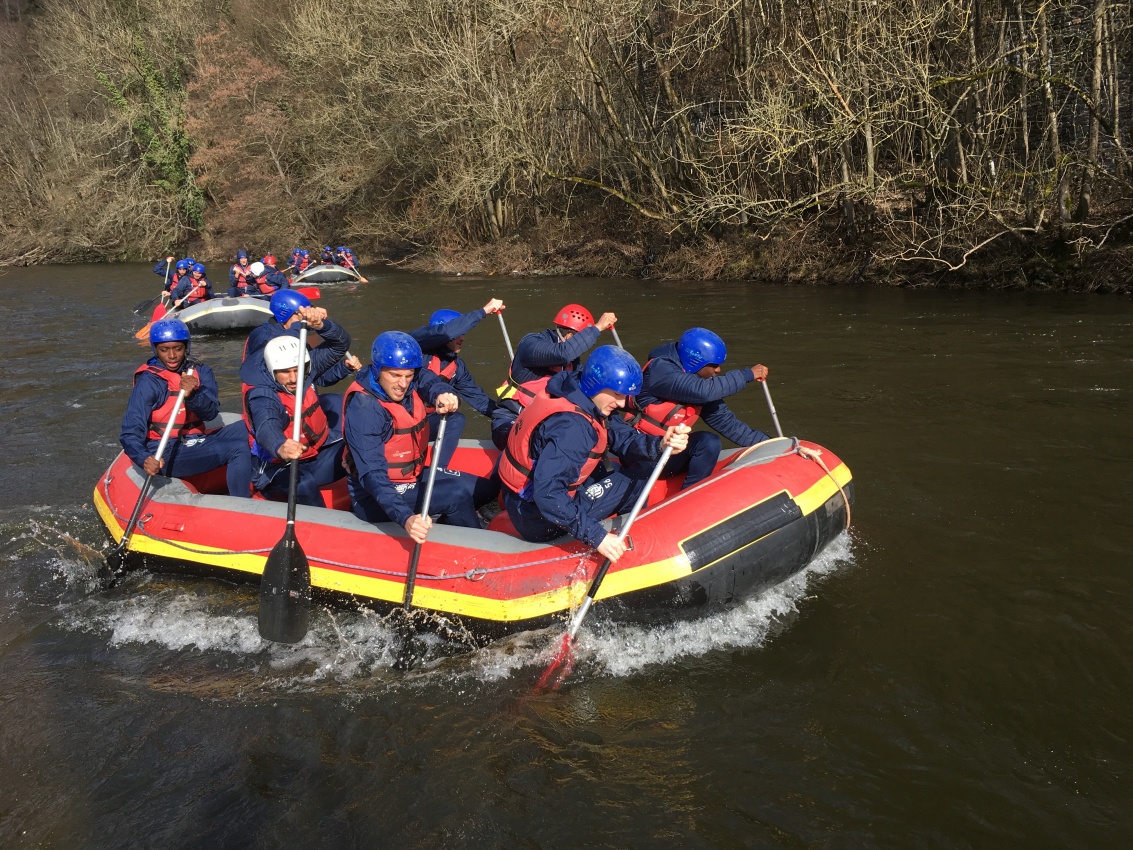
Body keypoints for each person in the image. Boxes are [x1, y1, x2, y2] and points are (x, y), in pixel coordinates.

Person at [499, 345, 688, 561]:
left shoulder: (574, 389)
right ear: (596, 384)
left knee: (614, 468)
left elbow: (615, 434)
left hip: (520, 500)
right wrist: (597, 537)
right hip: (538, 518)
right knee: (637, 482)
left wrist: (660, 444)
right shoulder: (573, 428)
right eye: (617, 394)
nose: (620, 402)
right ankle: (633, 550)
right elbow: (549, 494)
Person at [342, 331, 498, 540]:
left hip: (410, 476)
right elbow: (373, 476)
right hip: (374, 496)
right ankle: (480, 547)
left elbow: (426, 379)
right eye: (395, 376)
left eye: (408, 376)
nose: (403, 384)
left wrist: (442, 392)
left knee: (486, 489)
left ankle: (450, 528)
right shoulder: (365, 409)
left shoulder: (410, 378)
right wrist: (406, 518)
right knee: (456, 495)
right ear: (378, 370)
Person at [621, 328, 772, 490]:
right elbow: (704, 391)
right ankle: (686, 500)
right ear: (695, 360)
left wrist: (770, 445)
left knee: (709, 442)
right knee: (708, 441)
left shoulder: (697, 381)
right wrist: (747, 375)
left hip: (669, 454)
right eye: (714, 365)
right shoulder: (661, 371)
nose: (718, 370)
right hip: (642, 455)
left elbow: (727, 423)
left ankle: (691, 492)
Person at [119, 318, 251, 498]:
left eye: (178, 348)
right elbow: (130, 431)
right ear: (155, 349)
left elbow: (211, 412)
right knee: (239, 448)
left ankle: (265, 481)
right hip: (164, 449)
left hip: (196, 438)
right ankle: (241, 506)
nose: (172, 355)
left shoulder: (200, 371)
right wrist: (144, 458)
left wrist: (193, 395)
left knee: (253, 426)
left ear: (186, 347)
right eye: (164, 350)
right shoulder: (149, 382)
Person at [490, 303, 618, 449]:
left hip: (543, 422)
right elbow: (562, 353)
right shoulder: (531, 344)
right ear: (569, 336)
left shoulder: (573, 364)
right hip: (511, 421)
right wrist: (597, 328)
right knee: (546, 444)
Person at [242, 336, 348, 507]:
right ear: (272, 370)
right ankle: (321, 527)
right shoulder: (262, 395)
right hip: (277, 467)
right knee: (304, 485)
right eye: (285, 372)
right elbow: (266, 425)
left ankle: (367, 511)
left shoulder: (305, 371)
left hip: (313, 455)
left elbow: (340, 344)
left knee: (361, 449)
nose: (293, 378)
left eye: (297, 370)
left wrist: (323, 325)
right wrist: (280, 445)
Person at [408, 298, 505, 467]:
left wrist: (510, 415)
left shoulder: (457, 367)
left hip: (424, 423)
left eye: (464, 333)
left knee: (457, 419)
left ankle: (438, 471)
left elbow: (479, 400)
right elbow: (446, 332)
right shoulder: (416, 348)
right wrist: (484, 311)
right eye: (458, 334)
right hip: (400, 421)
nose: (463, 338)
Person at [239, 289, 359, 388]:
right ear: (284, 314)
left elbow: (316, 378)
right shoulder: (261, 335)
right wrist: (302, 324)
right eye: (301, 315)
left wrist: (344, 368)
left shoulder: (296, 336)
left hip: (301, 403)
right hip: (276, 403)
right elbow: (281, 346)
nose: (306, 318)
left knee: (334, 401)